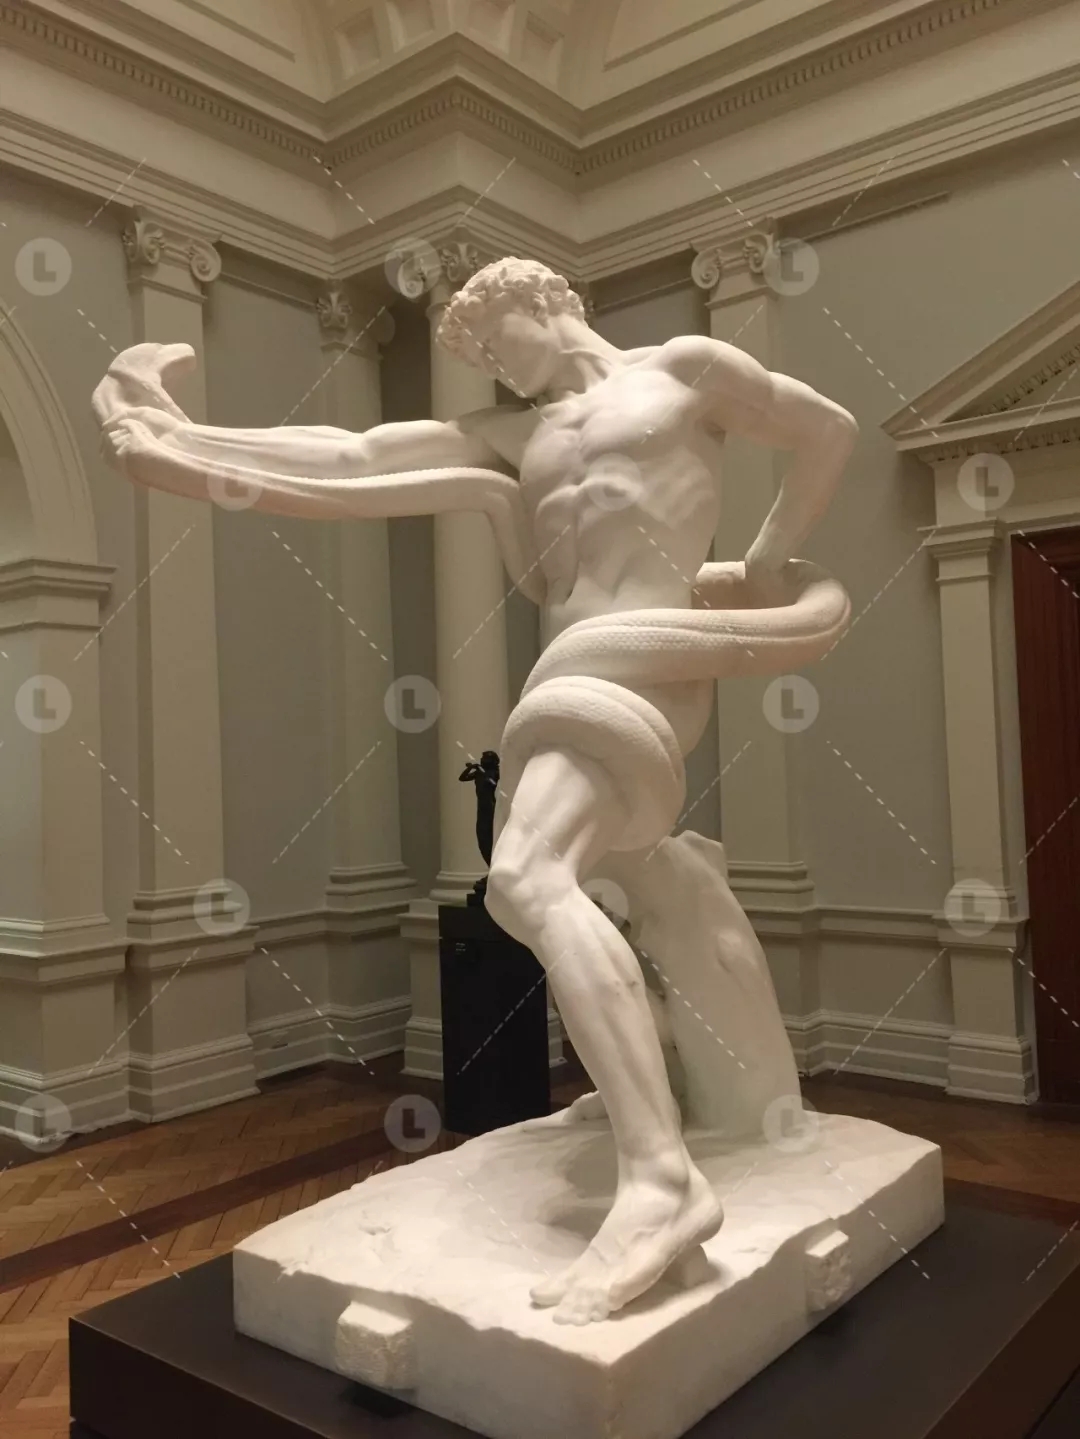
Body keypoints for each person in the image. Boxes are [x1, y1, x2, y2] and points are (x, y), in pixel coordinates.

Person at [95, 256, 857, 1325]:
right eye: (482, 354)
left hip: (646, 659)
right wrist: (182, 443)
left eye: (498, 339)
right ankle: (703, 1088)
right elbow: (357, 458)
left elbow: (826, 429)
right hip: (571, 665)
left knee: (526, 878)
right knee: (635, 883)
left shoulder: (685, 370)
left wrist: (772, 562)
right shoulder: (513, 437)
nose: (495, 364)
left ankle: (662, 1183)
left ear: (546, 302)